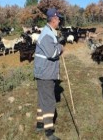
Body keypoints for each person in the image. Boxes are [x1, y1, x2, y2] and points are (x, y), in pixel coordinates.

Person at [34, 8, 64, 140]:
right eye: (58, 19)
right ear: (53, 19)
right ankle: (49, 132)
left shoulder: (49, 32)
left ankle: (40, 124)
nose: (59, 21)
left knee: (43, 99)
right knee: (49, 101)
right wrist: (61, 47)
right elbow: (52, 53)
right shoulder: (47, 34)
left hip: (43, 72)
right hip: (45, 73)